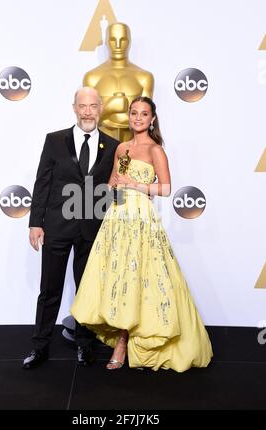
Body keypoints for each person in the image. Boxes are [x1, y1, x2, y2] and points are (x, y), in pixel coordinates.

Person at [71, 96, 213, 371]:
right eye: (134, 113)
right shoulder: (121, 147)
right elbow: (113, 181)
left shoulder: (155, 150)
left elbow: (166, 188)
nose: (138, 118)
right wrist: (113, 185)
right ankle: (122, 334)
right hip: (117, 217)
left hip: (141, 219)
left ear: (152, 119)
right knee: (119, 277)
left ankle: (124, 343)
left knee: (139, 278)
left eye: (144, 114)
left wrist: (135, 184)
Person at [23, 87, 119, 369]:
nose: (87, 111)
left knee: (87, 291)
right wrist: (35, 223)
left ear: (100, 108)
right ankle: (39, 348)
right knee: (49, 289)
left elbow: (111, 189)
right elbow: (42, 183)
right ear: (74, 108)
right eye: (82, 106)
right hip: (56, 226)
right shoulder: (54, 141)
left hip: (92, 228)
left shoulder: (113, 146)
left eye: (92, 106)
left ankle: (84, 345)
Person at [83, 22, 154, 142]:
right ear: (106, 42)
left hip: (134, 147)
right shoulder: (92, 77)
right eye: (112, 40)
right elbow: (87, 121)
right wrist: (109, 108)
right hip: (101, 147)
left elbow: (146, 119)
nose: (118, 45)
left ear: (130, 41)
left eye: (123, 40)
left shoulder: (144, 77)